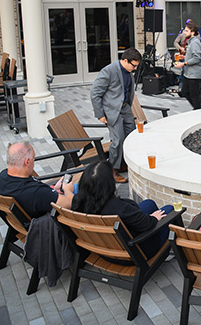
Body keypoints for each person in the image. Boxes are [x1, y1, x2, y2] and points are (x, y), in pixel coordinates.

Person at [71, 161, 174, 259]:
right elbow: (148, 224)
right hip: (134, 252)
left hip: (103, 249)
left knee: (149, 204)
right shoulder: (120, 208)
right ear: (109, 184)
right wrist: (154, 218)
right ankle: (168, 253)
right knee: (170, 210)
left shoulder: (77, 201)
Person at [90, 47, 142, 183]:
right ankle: (112, 170)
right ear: (125, 60)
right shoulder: (109, 71)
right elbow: (95, 93)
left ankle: (123, 164)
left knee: (131, 137)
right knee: (117, 140)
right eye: (134, 65)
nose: (135, 69)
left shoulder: (128, 72)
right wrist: (100, 114)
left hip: (126, 109)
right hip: (112, 111)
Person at [0, 141, 75, 218]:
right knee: (78, 188)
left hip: (28, 212)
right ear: (27, 162)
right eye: (33, 157)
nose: (34, 160)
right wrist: (68, 190)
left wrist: (53, 189)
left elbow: (41, 195)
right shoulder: (36, 192)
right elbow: (70, 203)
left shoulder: (2, 176)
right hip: (49, 222)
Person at [174, 22, 201, 109]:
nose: (184, 32)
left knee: (194, 96)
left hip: (194, 74)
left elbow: (197, 58)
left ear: (193, 32)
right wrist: (183, 57)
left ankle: (198, 111)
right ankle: (197, 109)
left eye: (186, 31)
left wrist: (183, 63)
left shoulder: (195, 42)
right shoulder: (191, 42)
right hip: (188, 73)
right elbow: (192, 55)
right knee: (185, 92)